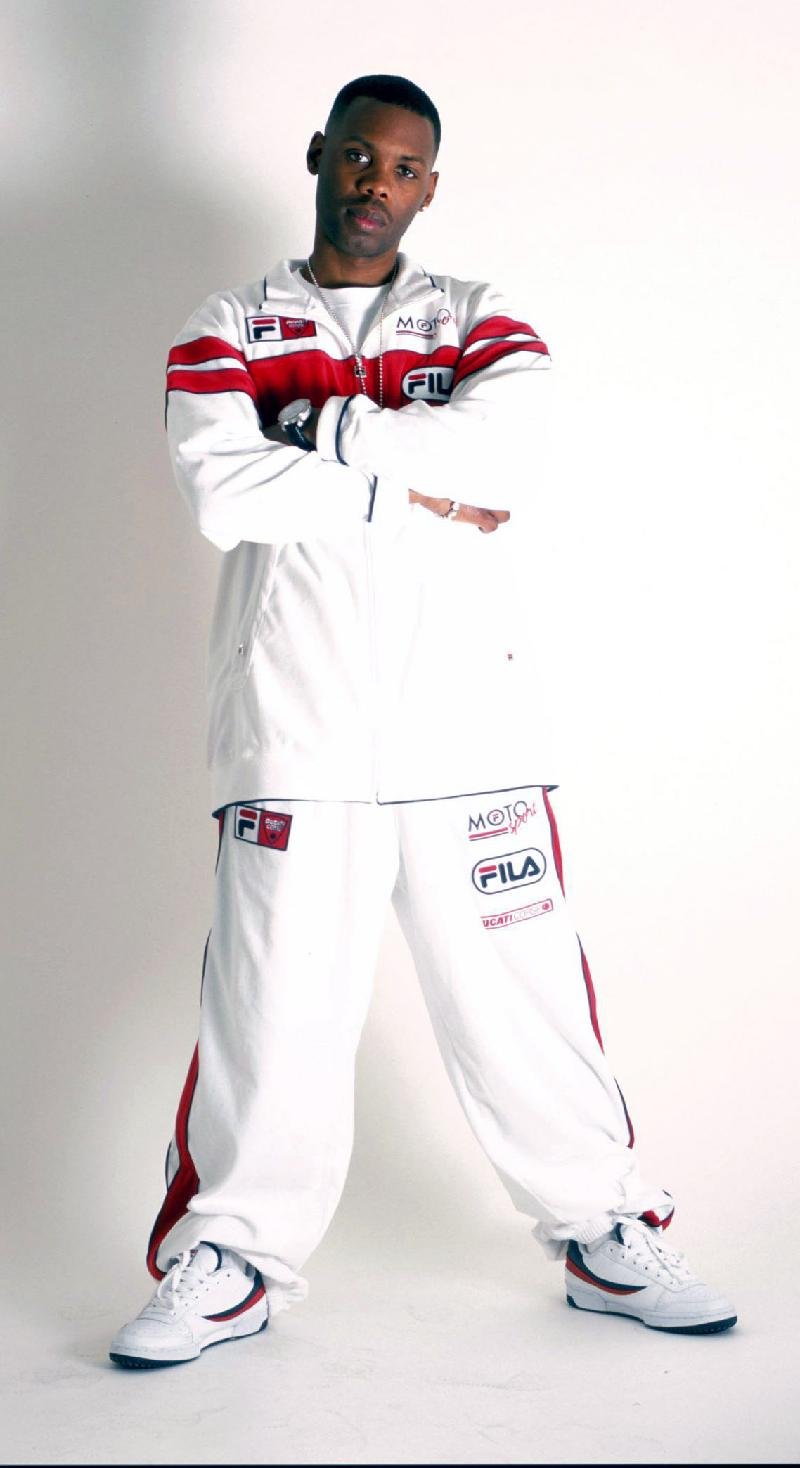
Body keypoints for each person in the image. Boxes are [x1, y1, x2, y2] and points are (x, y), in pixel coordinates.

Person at [110, 74, 736, 1369]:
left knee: (525, 1004)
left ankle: (605, 1228)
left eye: (403, 168)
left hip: (469, 728)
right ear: (318, 156)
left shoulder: (480, 317)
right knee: (272, 1012)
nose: (375, 184)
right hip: (295, 727)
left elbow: (507, 462)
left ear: (430, 187)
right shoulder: (228, 325)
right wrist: (414, 487)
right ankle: (232, 1257)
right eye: (357, 156)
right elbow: (226, 494)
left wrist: (322, 429)